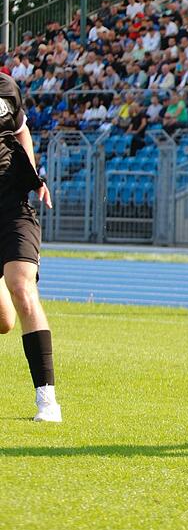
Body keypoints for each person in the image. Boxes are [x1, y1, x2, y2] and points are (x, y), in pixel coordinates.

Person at [0, 70, 61, 422]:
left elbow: (21, 130)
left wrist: (34, 175)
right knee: (4, 322)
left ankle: (47, 400)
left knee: (22, 289)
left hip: (12, 209)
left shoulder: (7, 87)